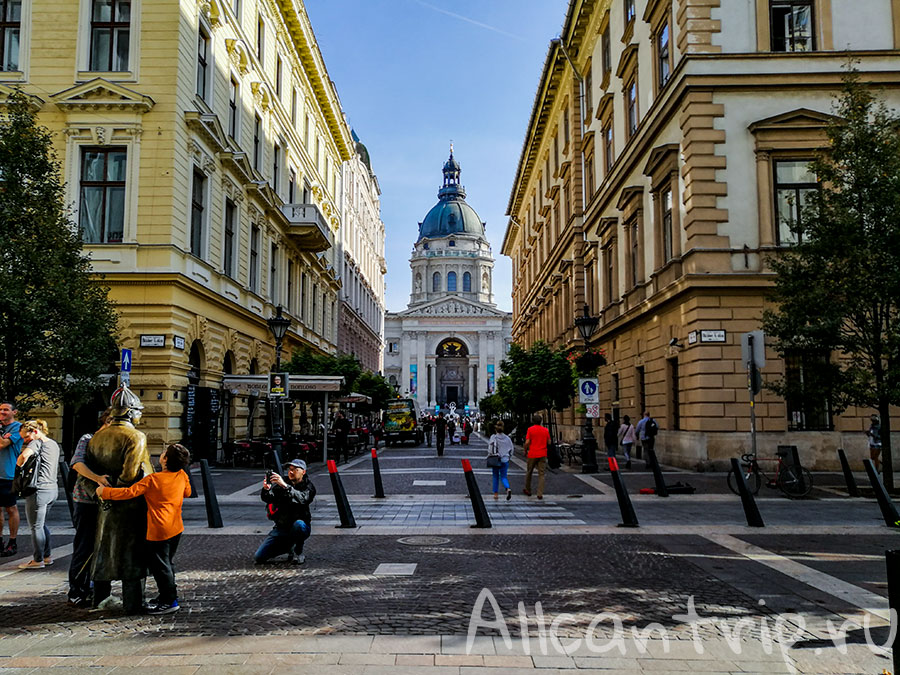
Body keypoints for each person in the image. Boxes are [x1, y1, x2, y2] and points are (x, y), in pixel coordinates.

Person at [97, 443, 191, 615]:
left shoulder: (153, 480)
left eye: (164, 453)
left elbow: (129, 492)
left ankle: (170, 600)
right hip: (176, 526)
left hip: (158, 529)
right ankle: (165, 597)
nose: (162, 454)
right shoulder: (181, 475)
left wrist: (104, 492)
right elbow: (188, 492)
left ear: (165, 459)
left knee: (161, 567)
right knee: (167, 564)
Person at [87, 385, 154, 613]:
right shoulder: (136, 436)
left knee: (104, 549)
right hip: (130, 503)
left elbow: (90, 468)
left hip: (104, 500)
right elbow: (130, 474)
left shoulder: (98, 436)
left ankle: (100, 598)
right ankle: (134, 602)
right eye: (138, 411)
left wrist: (103, 489)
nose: (141, 415)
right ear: (130, 412)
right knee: (131, 553)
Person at [67, 409, 112, 607]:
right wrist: (98, 479)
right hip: (86, 501)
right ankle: (77, 590)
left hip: (109, 501)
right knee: (84, 546)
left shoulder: (118, 440)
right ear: (106, 421)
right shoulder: (88, 439)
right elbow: (77, 464)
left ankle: (97, 588)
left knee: (104, 548)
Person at [16, 420, 61, 569]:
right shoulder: (53, 444)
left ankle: (38, 560)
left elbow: (23, 457)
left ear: (34, 432)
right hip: (52, 489)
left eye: (25, 437)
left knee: (35, 526)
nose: (25, 441)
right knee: (41, 525)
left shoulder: (36, 443)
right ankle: (47, 556)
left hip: (39, 490)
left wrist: (19, 464)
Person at [255, 458, 316, 565]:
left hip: (300, 525)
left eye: (295, 469)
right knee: (259, 557)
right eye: (289, 469)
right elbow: (269, 499)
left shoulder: (308, 486)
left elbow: (303, 499)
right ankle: (288, 546)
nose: (291, 472)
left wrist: (285, 486)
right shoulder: (283, 482)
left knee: (299, 525)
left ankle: (298, 551)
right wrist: (266, 489)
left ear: (303, 472)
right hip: (281, 527)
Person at [0, 401, 22, 557]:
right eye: (0, 410)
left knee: (11, 508)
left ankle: (12, 541)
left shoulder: (17, 428)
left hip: (8, 474)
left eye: (6, 410)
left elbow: (1, 444)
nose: (2, 412)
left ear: (14, 412)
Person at [523, 414, 550, 499]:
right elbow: (549, 442)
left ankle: (528, 489)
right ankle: (540, 493)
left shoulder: (530, 430)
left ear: (533, 421)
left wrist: (525, 449)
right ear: (541, 421)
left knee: (529, 472)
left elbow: (527, 442)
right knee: (541, 474)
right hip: (542, 454)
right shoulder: (545, 430)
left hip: (533, 454)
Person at [487, 421, 515, 500]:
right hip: (505, 459)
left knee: (495, 476)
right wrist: (509, 457)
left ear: (495, 429)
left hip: (496, 459)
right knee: (503, 476)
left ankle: (496, 494)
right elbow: (512, 449)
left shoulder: (493, 437)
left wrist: (490, 455)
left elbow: (490, 449)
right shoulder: (507, 438)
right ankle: (507, 488)